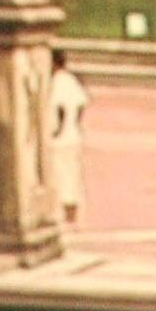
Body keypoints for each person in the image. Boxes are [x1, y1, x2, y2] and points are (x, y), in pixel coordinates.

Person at [48, 50, 89, 223]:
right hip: (74, 134)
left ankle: (63, 210)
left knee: (59, 172)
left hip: (61, 137)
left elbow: (60, 107)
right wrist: (76, 124)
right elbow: (81, 104)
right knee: (72, 173)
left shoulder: (56, 82)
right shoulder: (72, 81)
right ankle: (71, 210)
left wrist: (57, 128)